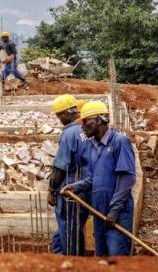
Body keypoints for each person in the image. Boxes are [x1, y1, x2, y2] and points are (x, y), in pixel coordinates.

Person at [61, 101, 136, 256]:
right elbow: (92, 179)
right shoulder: (93, 146)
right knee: (101, 257)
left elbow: (127, 179)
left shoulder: (120, 142)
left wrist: (114, 210)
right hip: (99, 212)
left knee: (117, 258)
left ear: (99, 120)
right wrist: (75, 187)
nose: (82, 126)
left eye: (85, 121)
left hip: (117, 215)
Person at [47, 95, 91, 256]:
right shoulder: (86, 129)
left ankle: (73, 262)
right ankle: (58, 258)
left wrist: (51, 189)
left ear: (67, 113)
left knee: (70, 230)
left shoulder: (69, 134)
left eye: (59, 115)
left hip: (70, 190)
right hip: (85, 186)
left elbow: (60, 165)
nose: (59, 119)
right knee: (67, 229)